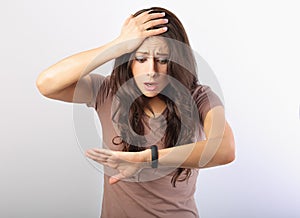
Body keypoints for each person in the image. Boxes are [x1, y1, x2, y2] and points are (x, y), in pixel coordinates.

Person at [36, 6, 235, 218]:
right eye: (141, 59)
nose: (151, 71)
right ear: (128, 60)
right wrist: (117, 45)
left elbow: (225, 148)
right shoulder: (107, 91)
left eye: (163, 60)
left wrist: (146, 158)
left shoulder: (198, 97)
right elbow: (47, 83)